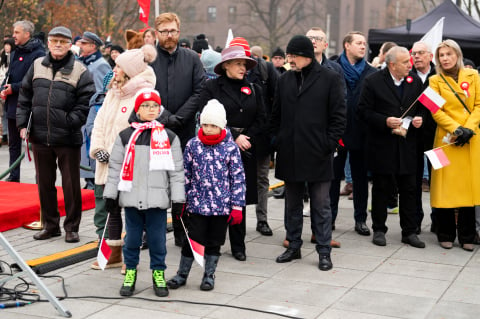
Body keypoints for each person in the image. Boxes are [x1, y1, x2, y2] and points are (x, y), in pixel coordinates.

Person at [270, 35, 345, 271]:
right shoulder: (285, 80)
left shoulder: (330, 78)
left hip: (318, 153)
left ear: (306, 55)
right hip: (290, 151)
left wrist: (328, 143)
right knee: (291, 203)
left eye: (293, 56)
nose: (289, 60)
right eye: (288, 56)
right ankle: (293, 245)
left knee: (321, 204)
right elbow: (276, 115)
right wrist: (278, 140)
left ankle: (324, 250)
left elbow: (339, 116)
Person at [16, 26, 95, 242]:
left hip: (67, 138)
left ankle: (72, 227)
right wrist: (23, 125)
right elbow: (24, 98)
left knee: (70, 185)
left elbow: (85, 103)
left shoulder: (80, 70)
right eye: (54, 41)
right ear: (48, 43)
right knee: (44, 184)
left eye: (62, 41)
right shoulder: (36, 65)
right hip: (40, 136)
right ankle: (51, 225)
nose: (58, 45)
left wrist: (70, 122)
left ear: (70, 45)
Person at [103, 88, 185, 297]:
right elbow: (115, 168)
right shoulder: (126, 136)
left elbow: (176, 172)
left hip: (157, 200)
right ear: (137, 109)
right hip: (131, 199)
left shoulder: (169, 137)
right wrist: (111, 195)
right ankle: (130, 272)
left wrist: (178, 199)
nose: (151, 109)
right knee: (131, 240)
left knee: (158, 241)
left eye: (155, 105)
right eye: (145, 106)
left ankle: (158, 273)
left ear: (160, 109)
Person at [89, 45, 157, 269]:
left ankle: (130, 259)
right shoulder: (113, 92)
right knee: (111, 208)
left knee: (133, 213)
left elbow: (144, 131)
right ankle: (114, 254)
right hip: (106, 164)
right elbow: (100, 123)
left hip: (130, 166)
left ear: (129, 70)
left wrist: (120, 155)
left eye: (119, 66)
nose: (114, 69)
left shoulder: (143, 96)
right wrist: (97, 147)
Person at [195, 45, 265, 261]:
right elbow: (203, 116)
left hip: (245, 150)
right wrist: (233, 135)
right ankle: (211, 242)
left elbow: (262, 118)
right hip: (216, 150)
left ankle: (238, 244)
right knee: (214, 196)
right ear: (225, 66)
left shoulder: (254, 89)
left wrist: (248, 138)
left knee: (238, 198)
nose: (243, 68)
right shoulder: (212, 87)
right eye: (238, 64)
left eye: (245, 64)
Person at [167, 99, 245, 291]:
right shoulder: (193, 145)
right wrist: (181, 199)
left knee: (214, 242)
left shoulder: (230, 148)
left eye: (213, 126)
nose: (209, 129)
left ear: (222, 126)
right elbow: (186, 174)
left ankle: (209, 274)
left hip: (221, 206)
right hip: (197, 204)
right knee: (192, 239)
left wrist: (237, 206)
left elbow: (237, 178)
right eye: (205, 125)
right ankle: (182, 273)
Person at [358, 46, 426, 248]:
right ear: (392, 64)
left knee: (410, 189)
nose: (410, 65)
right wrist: (384, 120)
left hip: (407, 146)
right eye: (406, 62)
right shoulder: (373, 81)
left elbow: (422, 107)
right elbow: (363, 111)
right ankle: (379, 229)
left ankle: (409, 231)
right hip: (382, 145)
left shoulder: (415, 81)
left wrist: (419, 119)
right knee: (381, 188)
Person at [150, 12, 206, 247]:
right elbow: (143, 91)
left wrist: (180, 117)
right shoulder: (148, 59)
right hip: (154, 130)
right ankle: (152, 231)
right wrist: (163, 116)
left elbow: (200, 90)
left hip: (183, 132)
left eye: (173, 31)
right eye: (164, 32)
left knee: (181, 183)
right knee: (154, 183)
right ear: (157, 33)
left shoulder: (192, 58)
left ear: (179, 32)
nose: (169, 36)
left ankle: (181, 230)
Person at [427, 39, 480, 251]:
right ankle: (445, 233)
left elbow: (478, 104)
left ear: (457, 55)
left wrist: (469, 128)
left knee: (469, 188)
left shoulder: (474, 76)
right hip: (446, 140)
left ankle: (467, 235)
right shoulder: (433, 81)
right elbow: (435, 110)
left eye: (449, 54)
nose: (445, 58)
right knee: (444, 189)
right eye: (441, 55)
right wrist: (457, 129)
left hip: (472, 139)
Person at [228, 37, 278, 237]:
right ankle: (235, 219)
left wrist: (269, 131)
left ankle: (262, 219)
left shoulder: (265, 70)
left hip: (260, 135)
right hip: (234, 138)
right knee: (235, 180)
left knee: (261, 178)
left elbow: (276, 100)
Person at [306, 27, 345, 249]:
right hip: (303, 137)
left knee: (323, 193)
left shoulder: (334, 69)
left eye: (317, 39)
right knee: (298, 191)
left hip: (325, 138)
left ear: (324, 44)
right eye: (309, 38)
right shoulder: (297, 66)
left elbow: (341, 102)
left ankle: (321, 233)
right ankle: (293, 235)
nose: (313, 42)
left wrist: (333, 138)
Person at [336, 31, 377, 237]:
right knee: (333, 178)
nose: (364, 47)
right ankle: (330, 218)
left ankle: (360, 220)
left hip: (362, 133)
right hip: (337, 132)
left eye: (364, 44)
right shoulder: (333, 68)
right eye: (359, 43)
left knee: (360, 179)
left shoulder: (372, 72)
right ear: (347, 45)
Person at [0, 20, 45, 182]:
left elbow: (34, 79)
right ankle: (14, 177)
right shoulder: (16, 51)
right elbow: (9, 76)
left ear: (27, 34)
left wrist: (15, 88)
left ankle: (41, 179)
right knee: (13, 145)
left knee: (36, 146)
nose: (13, 36)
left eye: (17, 32)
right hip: (13, 105)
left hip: (29, 107)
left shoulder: (39, 54)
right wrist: (3, 89)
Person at [78, 31, 112, 190]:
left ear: (93, 46)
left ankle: (93, 180)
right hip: (83, 110)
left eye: (84, 44)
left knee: (92, 144)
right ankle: (89, 180)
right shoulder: (83, 62)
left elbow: (103, 92)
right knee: (84, 146)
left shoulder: (101, 64)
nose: (80, 46)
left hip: (94, 112)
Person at [410, 41, 437, 234]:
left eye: (421, 53)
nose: (417, 56)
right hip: (413, 138)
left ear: (430, 56)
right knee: (414, 181)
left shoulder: (439, 77)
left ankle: (438, 219)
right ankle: (415, 220)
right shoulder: (407, 76)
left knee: (439, 179)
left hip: (437, 139)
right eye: (414, 53)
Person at [0, 38, 15, 145]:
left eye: (8, 45)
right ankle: (4, 134)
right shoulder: (2, 57)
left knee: (10, 113)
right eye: (5, 45)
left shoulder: (15, 56)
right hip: (2, 87)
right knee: (3, 113)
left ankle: (11, 135)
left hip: (11, 88)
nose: (6, 47)